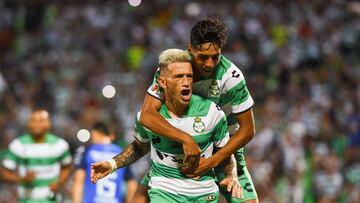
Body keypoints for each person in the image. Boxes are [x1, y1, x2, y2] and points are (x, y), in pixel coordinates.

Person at [91, 49, 242, 202]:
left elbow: (226, 154)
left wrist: (232, 175)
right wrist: (112, 163)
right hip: (164, 191)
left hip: (204, 193)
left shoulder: (212, 112)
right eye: (178, 76)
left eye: (189, 76)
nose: (186, 82)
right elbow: (139, 147)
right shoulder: (149, 117)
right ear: (162, 82)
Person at [140, 18, 258, 203]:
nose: (210, 64)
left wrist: (213, 161)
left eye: (215, 56)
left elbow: (248, 129)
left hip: (224, 149)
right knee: (138, 197)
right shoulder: (173, 69)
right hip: (183, 150)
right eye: (203, 57)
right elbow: (147, 115)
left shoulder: (231, 77)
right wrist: (185, 139)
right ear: (190, 49)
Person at [1, 109, 72, 203]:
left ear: (48, 124)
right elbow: (3, 174)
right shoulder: (18, 145)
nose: (36, 124)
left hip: (50, 199)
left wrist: (59, 182)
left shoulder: (59, 145)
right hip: (26, 199)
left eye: (41, 121)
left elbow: (67, 167)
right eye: (33, 120)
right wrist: (22, 179)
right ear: (28, 123)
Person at [72, 122, 137, 203]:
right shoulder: (121, 154)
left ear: (95, 133)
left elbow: (78, 180)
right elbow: (132, 184)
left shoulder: (87, 150)